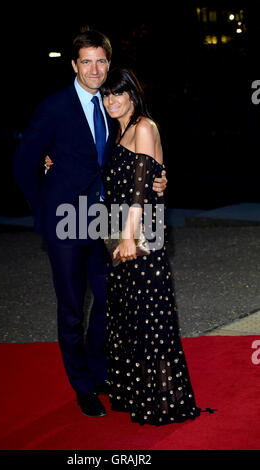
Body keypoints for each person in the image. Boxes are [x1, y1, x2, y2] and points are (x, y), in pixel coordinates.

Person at [12, 29, 167, 418]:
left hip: (106, 221)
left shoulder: (115, 106)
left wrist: (158, 179)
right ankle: (82, 387)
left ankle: (101, 373)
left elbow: (138, 155)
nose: (95, 69)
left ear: (108, 64)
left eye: (101, 61)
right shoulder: (54, 107)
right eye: (86, 61)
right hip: (64, 222)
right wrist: (43, 207)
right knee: (71, 309)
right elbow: (22, 163)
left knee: (109, 301)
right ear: (74, 65)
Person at [100, 67, 201, 426]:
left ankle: (162, 402)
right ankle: (139, 394)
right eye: (107, 95)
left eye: (118, 94)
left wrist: (128, 235)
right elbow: (154, 174)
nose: (111, 100)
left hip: (139, 236)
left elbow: (140, 193)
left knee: (150, 320)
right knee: (130, 317)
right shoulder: (120, 130)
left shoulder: (142, 126)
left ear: (132, 95)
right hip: (123, 236)